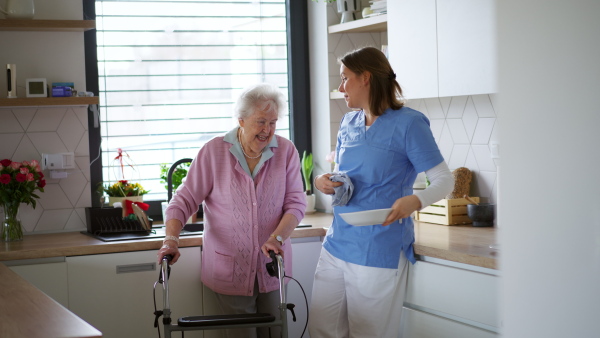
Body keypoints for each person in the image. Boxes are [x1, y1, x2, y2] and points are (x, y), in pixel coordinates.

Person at [308, 47, 455, 337]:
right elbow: (344, 177)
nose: (340, 88)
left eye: (345, 79)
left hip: (378, 249)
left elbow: (444, 180)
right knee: (321, 331)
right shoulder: (348, 122)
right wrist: (323, 182)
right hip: (337, 243)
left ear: (366, 78)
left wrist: (415, 200)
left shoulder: (409, 123)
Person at [157, 83, 307, 338]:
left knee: (276, 333)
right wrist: (171, 240)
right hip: (230, 269)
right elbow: (183, 200)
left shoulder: (286, 151)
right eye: (260, 121)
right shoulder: (214, 152)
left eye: (273, 123)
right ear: (241, 120)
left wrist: (277, 237)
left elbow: (296, 203)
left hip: (272, 267)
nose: (267, 130)